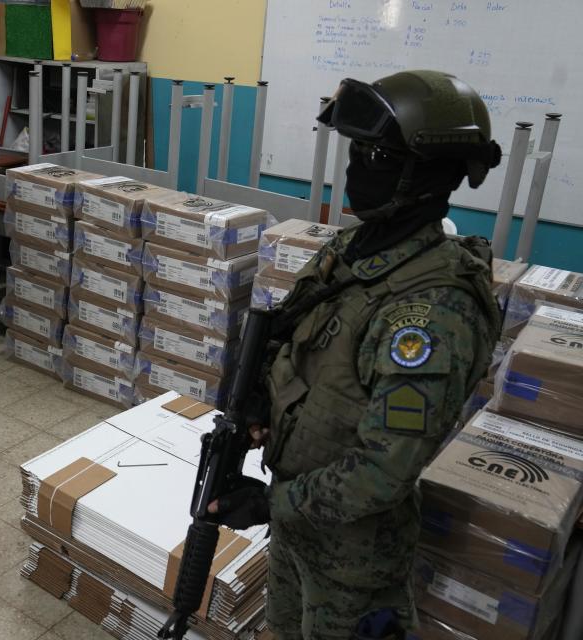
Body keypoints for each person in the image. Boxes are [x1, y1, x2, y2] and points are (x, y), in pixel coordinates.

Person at [208, 70, 504, 639]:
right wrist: (259, 409)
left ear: (428, 172)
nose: (356, 167)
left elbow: (382, 470)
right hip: (299, 521)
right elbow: (291, 343)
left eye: (376, 155)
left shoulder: (432, 312)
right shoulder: (352, 252)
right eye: (357, 149)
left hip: (355, 557)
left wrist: (274, 504)